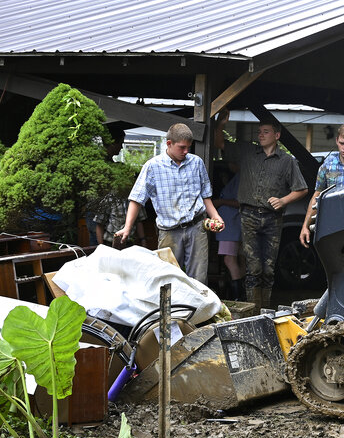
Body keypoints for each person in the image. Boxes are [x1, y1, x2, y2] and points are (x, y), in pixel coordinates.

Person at [214, 112, 308, 309]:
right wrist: (220, 124)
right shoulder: (248, 151)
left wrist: (283, 200)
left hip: (273, 218)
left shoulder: (287, 161)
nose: (261, 135)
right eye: (259, 132)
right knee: (253, 268)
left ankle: (264, 309)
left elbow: (302, 189)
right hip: (248, 215)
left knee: (268, 269)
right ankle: (253, 310)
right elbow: (220, 143)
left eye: (266, 131)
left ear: (277, 135)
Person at [116, 123, 224, 284]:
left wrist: (216, 216)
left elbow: (205, 196)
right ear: (169, 143)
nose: (186, 151)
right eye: (182, 147)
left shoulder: (196, 163)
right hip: (169, 231)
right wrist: (127, 227)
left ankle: (198, 301)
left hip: (196, 227)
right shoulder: (153, 166)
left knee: (199, 279)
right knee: (168, 280)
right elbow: (136, 199)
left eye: (188, 147)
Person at [211, 167, 244, 300]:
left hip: (230, 224)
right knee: (240, 259)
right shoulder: (238, 178)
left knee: (229, 259)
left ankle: (238, 297)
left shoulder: (239, 178)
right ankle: (240, 294)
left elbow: (240, 202)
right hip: (233, 224)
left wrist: (220, 202)